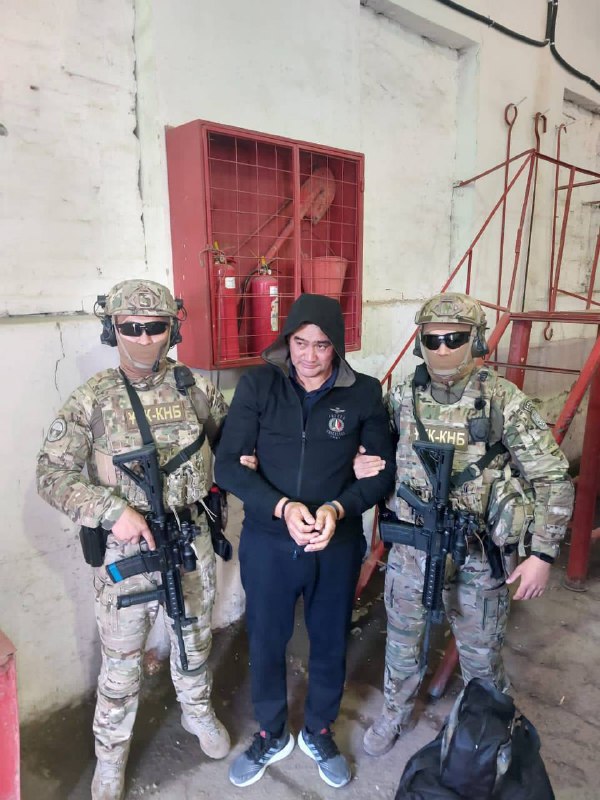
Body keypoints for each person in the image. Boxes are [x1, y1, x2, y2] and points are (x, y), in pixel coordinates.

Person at [36, 279, 244, 800]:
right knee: (122, 661)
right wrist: (112, 511)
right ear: (113, 329)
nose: (146, 338)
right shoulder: (93, 398)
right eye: (132, 327)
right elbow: (52, 474)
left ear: (172, 329)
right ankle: (111, 755)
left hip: (189, 537)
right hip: (128, 548)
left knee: (194, 638)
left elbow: (233, 441)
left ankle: (197, 712)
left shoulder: (193, 388)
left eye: (156, 327)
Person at [358, 292, 574, 757]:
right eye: (432, 339)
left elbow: (552, 476)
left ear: (476, 341)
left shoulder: (502, 400)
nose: (442, 349)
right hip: (413, 548)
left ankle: (489, 731)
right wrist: (362, 463)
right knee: (402, 642)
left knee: (481, 655)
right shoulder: (402, 396)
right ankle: (394, 713)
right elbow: (377, 452)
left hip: (478, 554)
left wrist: (542, 554)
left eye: (454, 339)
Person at [214, 293, 396, 789]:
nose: (309, 356)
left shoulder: (363, 393)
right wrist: (282, 507)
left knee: (330, 641)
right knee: (266, 640)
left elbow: (382, 475)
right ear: (287, 341)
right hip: (269, 541)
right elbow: (227, 466)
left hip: (335, 543)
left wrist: (337, 509)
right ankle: (271, 733)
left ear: (337, 346)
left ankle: (319, 729)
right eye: (300, 342)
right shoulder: (258, 386)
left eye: (321, 345)